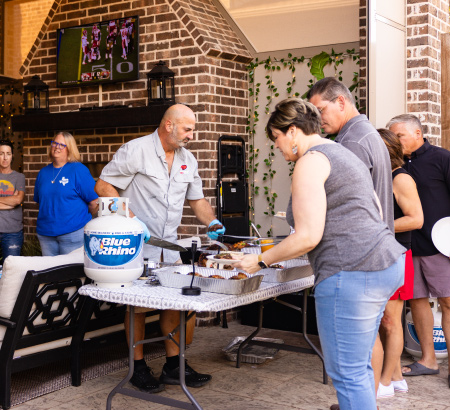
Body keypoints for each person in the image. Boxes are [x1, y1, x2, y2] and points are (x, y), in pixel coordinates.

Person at [235, 98, 405, 410]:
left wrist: (258, 260)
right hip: (386, 262)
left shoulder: (310, 161)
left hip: (352, 271)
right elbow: (377, 211)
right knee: (359, 363)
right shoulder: (342, 152)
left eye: (276, 138)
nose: (278, 147)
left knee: (347, 373)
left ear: (293, 131)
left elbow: (308, 236)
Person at [95, 103, 225, 393]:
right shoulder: (135, 150)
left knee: (172, 303)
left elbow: (197, 200)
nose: (192, 135)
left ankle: (173, 364)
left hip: (170, 246)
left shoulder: (187, 159)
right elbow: (103, 187)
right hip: (136, 244)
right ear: (169, 125)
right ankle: (137, 367)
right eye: (188, 129)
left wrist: (212, 221)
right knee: (137, 307)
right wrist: (130, 220)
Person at [387, 114, 450, 386]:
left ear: (417, 133)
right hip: (408, 246)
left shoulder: (441, 158)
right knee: (417, 301)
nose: (395, 140)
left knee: (448, 303)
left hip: (440, 245)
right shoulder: (395, 165)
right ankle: (428, 360)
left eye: (399, 135)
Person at [307, 77, 394, 232]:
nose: (318, 119)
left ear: (341, 102)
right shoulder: (366, 133)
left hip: (363, 247)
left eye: (320, 110)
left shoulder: (352, 142)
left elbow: (347, 205)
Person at [373, 128, 424, 398]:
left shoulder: (400, 178)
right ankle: (395, 378)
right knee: (384, 320)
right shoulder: (379, 177)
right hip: (381, 254)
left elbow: (416, 219)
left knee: (392, 322)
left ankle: (384, 383)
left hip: (397, 254)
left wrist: (377, 227)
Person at [34, 132, 98, 256]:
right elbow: (41, 202)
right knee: (50, 272)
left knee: (70, 274)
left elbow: (94, 201)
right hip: (46, 234)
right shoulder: (43, 173)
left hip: (73, 233)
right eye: (55, 143)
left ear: (70, 149)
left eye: (62, 145)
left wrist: (79, 219)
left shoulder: (78, 170)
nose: (57, 147)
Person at [0, 139, 25, 264]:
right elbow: (13, 200)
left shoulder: (19, 177)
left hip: (12, 233)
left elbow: (18, 200)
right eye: (1, 153)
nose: (5, 158)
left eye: (8, 154)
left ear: (12, 156)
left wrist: (14, 201)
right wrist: (9, 201)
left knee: (11, 270)